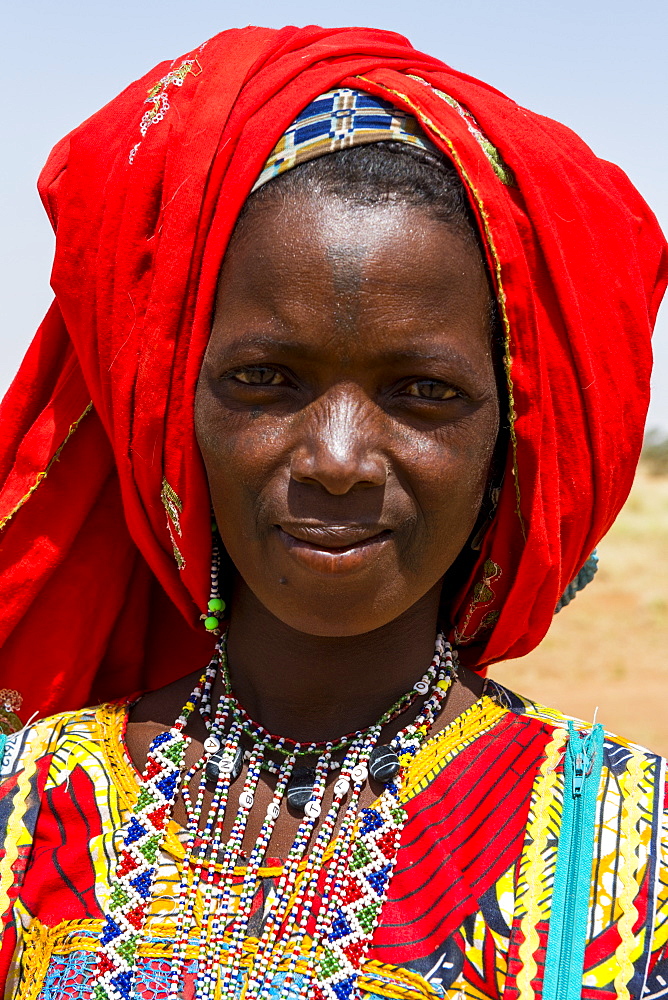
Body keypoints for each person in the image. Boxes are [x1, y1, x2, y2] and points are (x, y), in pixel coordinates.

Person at [0, 24, 665, 1000]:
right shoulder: (29, 812)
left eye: (420, 391)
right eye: (266, 380)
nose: (339, 459)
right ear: (175, 417)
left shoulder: (619, 857)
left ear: (505, 447)